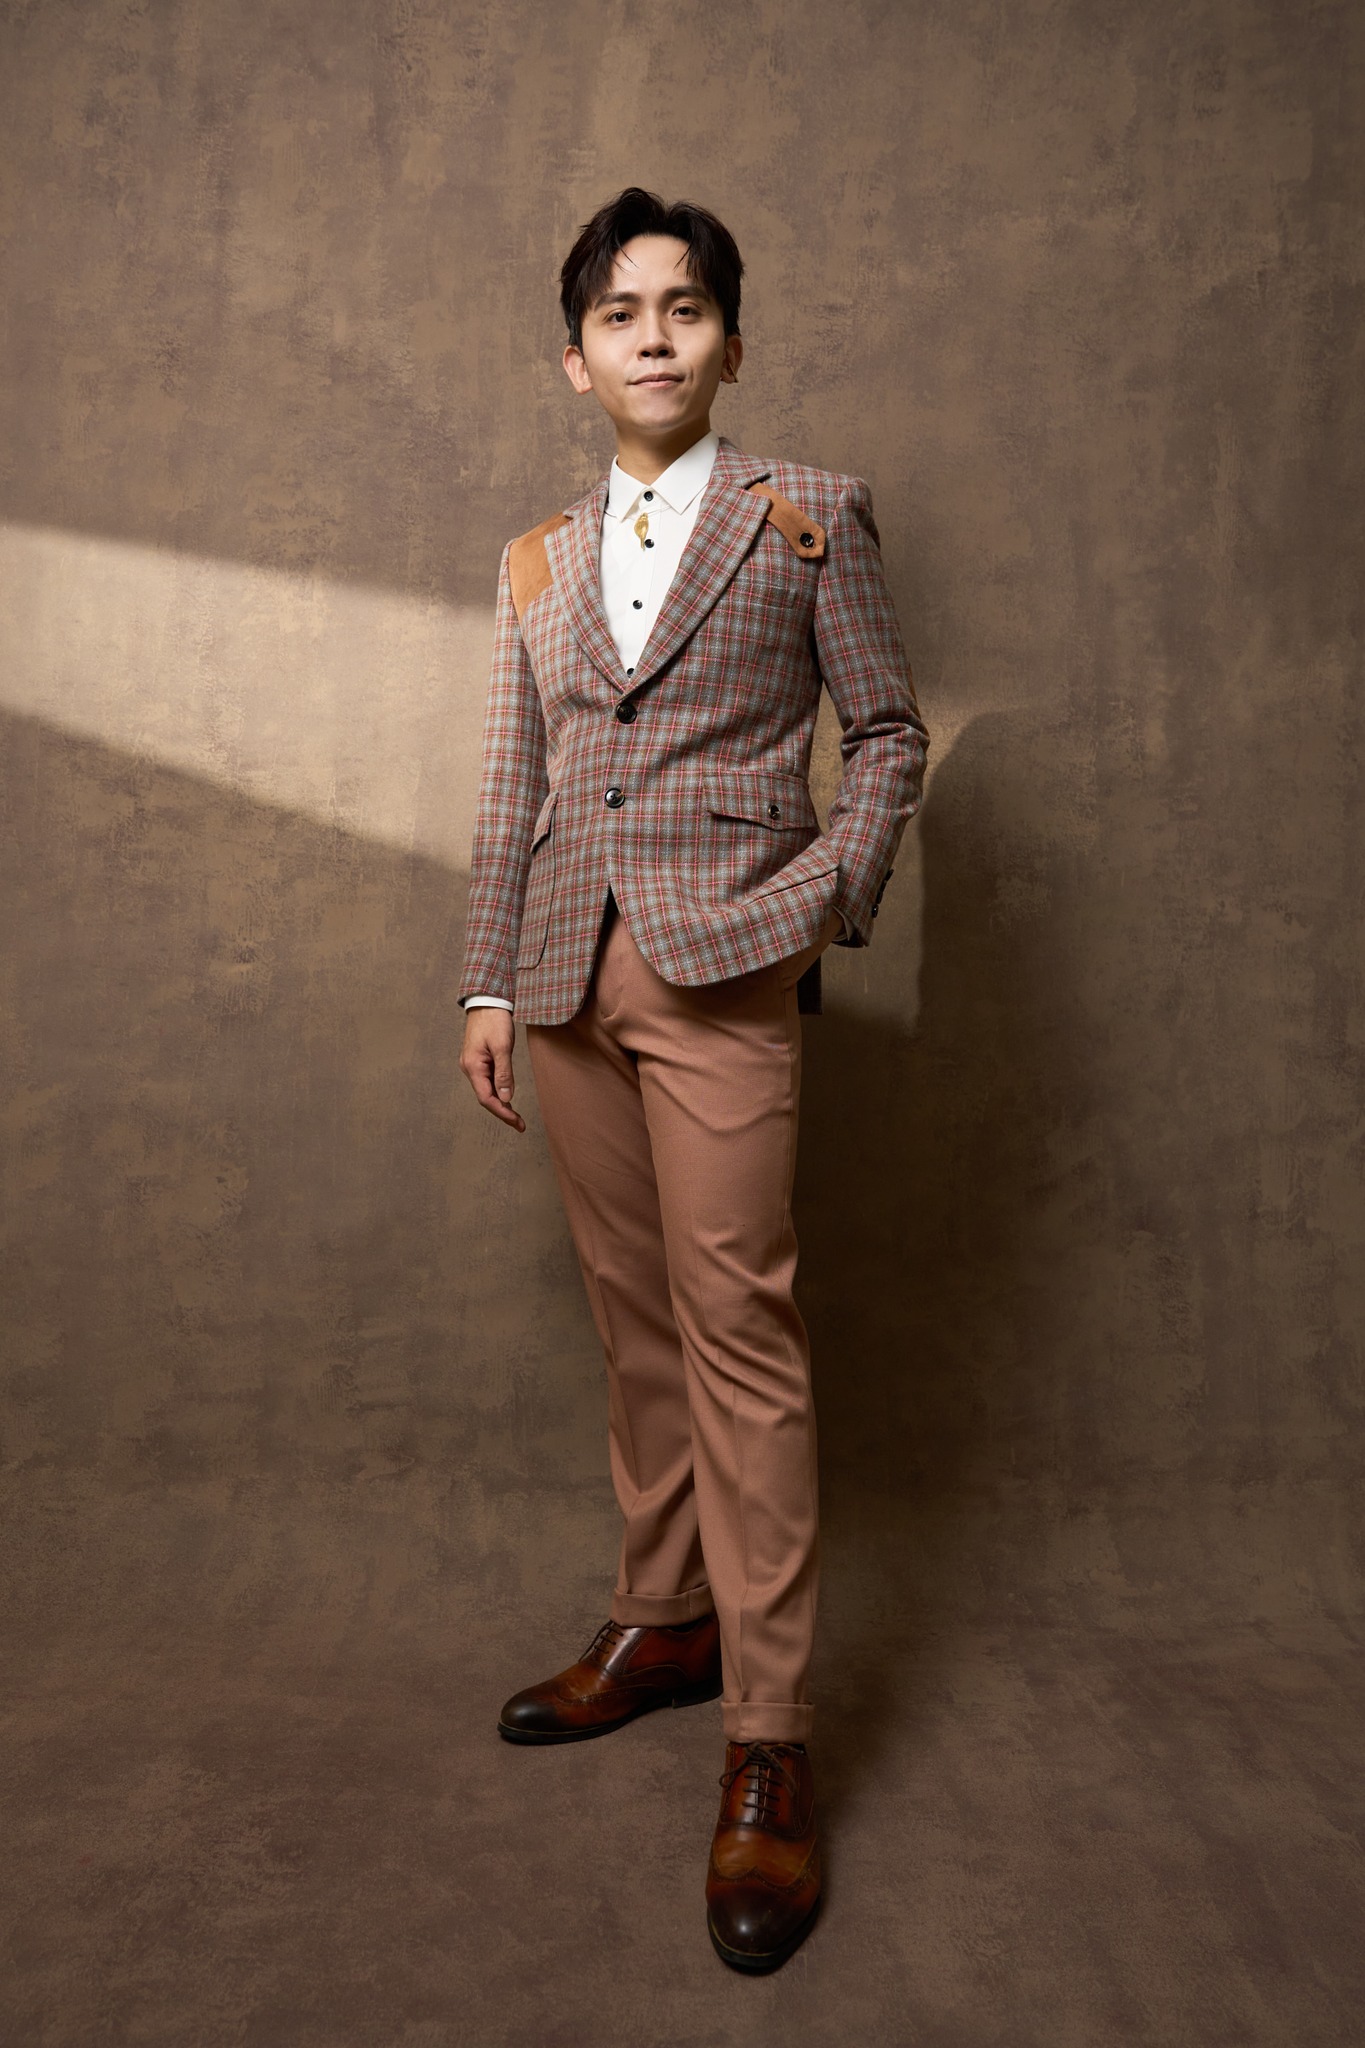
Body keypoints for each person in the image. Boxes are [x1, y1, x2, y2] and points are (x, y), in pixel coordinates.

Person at [458, 185, 928, 1973]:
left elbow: (886, 734)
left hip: (729, 965)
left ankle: (770, 1734)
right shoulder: (535, 561)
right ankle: (664, 1620)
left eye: (684, 307)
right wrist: (487, 978)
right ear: (574, 364)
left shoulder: (807, 518)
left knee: (738, 1323)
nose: (652, 335)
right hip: (562, 976)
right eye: (618, 314)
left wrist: (816, 903)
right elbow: (514, 782)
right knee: (636, 1317)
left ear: (730, 340)